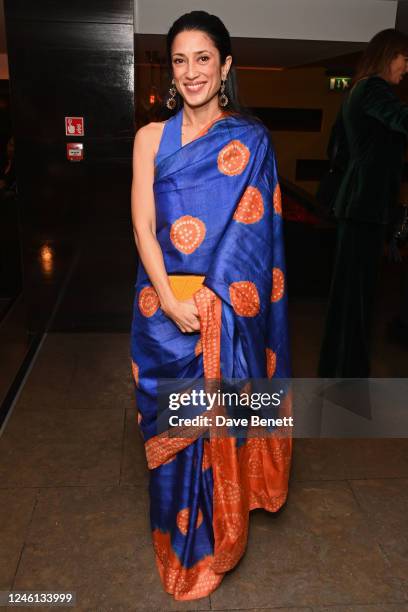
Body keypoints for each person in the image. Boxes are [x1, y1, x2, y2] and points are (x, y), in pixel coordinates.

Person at [130, 10, 292, 601]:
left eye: (203, 58)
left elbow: (253, 238)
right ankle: (176, 542)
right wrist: (173, 306)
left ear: (224, 66)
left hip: (221, 313)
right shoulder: (151, 138)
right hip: (162, 309)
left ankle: (213, 541)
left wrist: (208, 304)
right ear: (170, 71)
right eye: (180, 60)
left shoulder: (250, 141)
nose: (191, 72)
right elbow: (144, 229)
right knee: (171, 430)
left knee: (217, 429)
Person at [318, 29, 408, 378]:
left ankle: (341, 372)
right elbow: (402, 120)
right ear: (389, 55)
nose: (406, 68)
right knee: (356, 301)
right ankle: (348, 376)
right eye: (405, 59)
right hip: (363, 208)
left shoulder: (358, 90)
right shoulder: (373, 89)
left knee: (349, 299)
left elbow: (336, 148)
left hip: (357, 207)